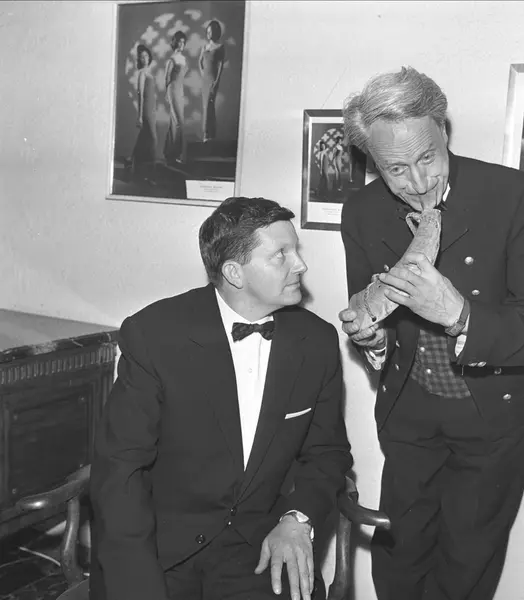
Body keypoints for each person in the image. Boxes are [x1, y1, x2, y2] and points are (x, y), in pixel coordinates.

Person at [338, 66, 524, 600]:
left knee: (465, 569)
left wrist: (460, 314)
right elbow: (376, 318)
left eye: (428, 157)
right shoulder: (362, 212)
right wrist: (371, 341)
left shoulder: (516, 196)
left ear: (443, 130)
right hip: (408, 416)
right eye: (396, 169)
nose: (419, 182)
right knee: (397, 561)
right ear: (372, 160)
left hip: (492, 417)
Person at [90, 196, 352, 600]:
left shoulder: (315, 341)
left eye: (296, 250)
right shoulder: (154, 335)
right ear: (234, 272)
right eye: (281, 254)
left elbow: (327, 453)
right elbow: (121, 469)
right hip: (161, 548)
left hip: (261, 547)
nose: (300, 265)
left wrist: (296, 520)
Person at [131, 44, 157, 183]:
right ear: (139, 60)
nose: (144, 59)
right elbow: (140, 95)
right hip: (146, 109)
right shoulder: (142, 73)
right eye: (142, 57)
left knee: (144, 138)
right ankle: (150, 173)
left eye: (146, 56)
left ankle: (135, 166)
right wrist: (140, 116)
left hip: (152, 108)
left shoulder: (150, 72)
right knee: (152, 139)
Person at [198, 19, 226, 143]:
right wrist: (202, 73)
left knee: (209, 105)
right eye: (207, 32)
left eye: (211, 32)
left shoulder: (220, 47)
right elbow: (199, 62)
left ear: (216, 32)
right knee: (206, 107)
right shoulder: (204, 47)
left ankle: (208, 134)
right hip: (205, 80)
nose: (208, 34)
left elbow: (220, 66)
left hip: (213, 80)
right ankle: (208, 134)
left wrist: (217, 81)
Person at [164, 30, 188, 164]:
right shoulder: (171, 59)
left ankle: (169, 153)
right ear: (175, 43)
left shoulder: (183, 59)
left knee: (174, 122)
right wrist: (167, 94)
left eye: (184, 42)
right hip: (172, 89)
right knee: (178, 122)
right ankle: (176, 154)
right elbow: (167, 78)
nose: (182, 44)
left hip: (180, 90)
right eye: (180, 42)